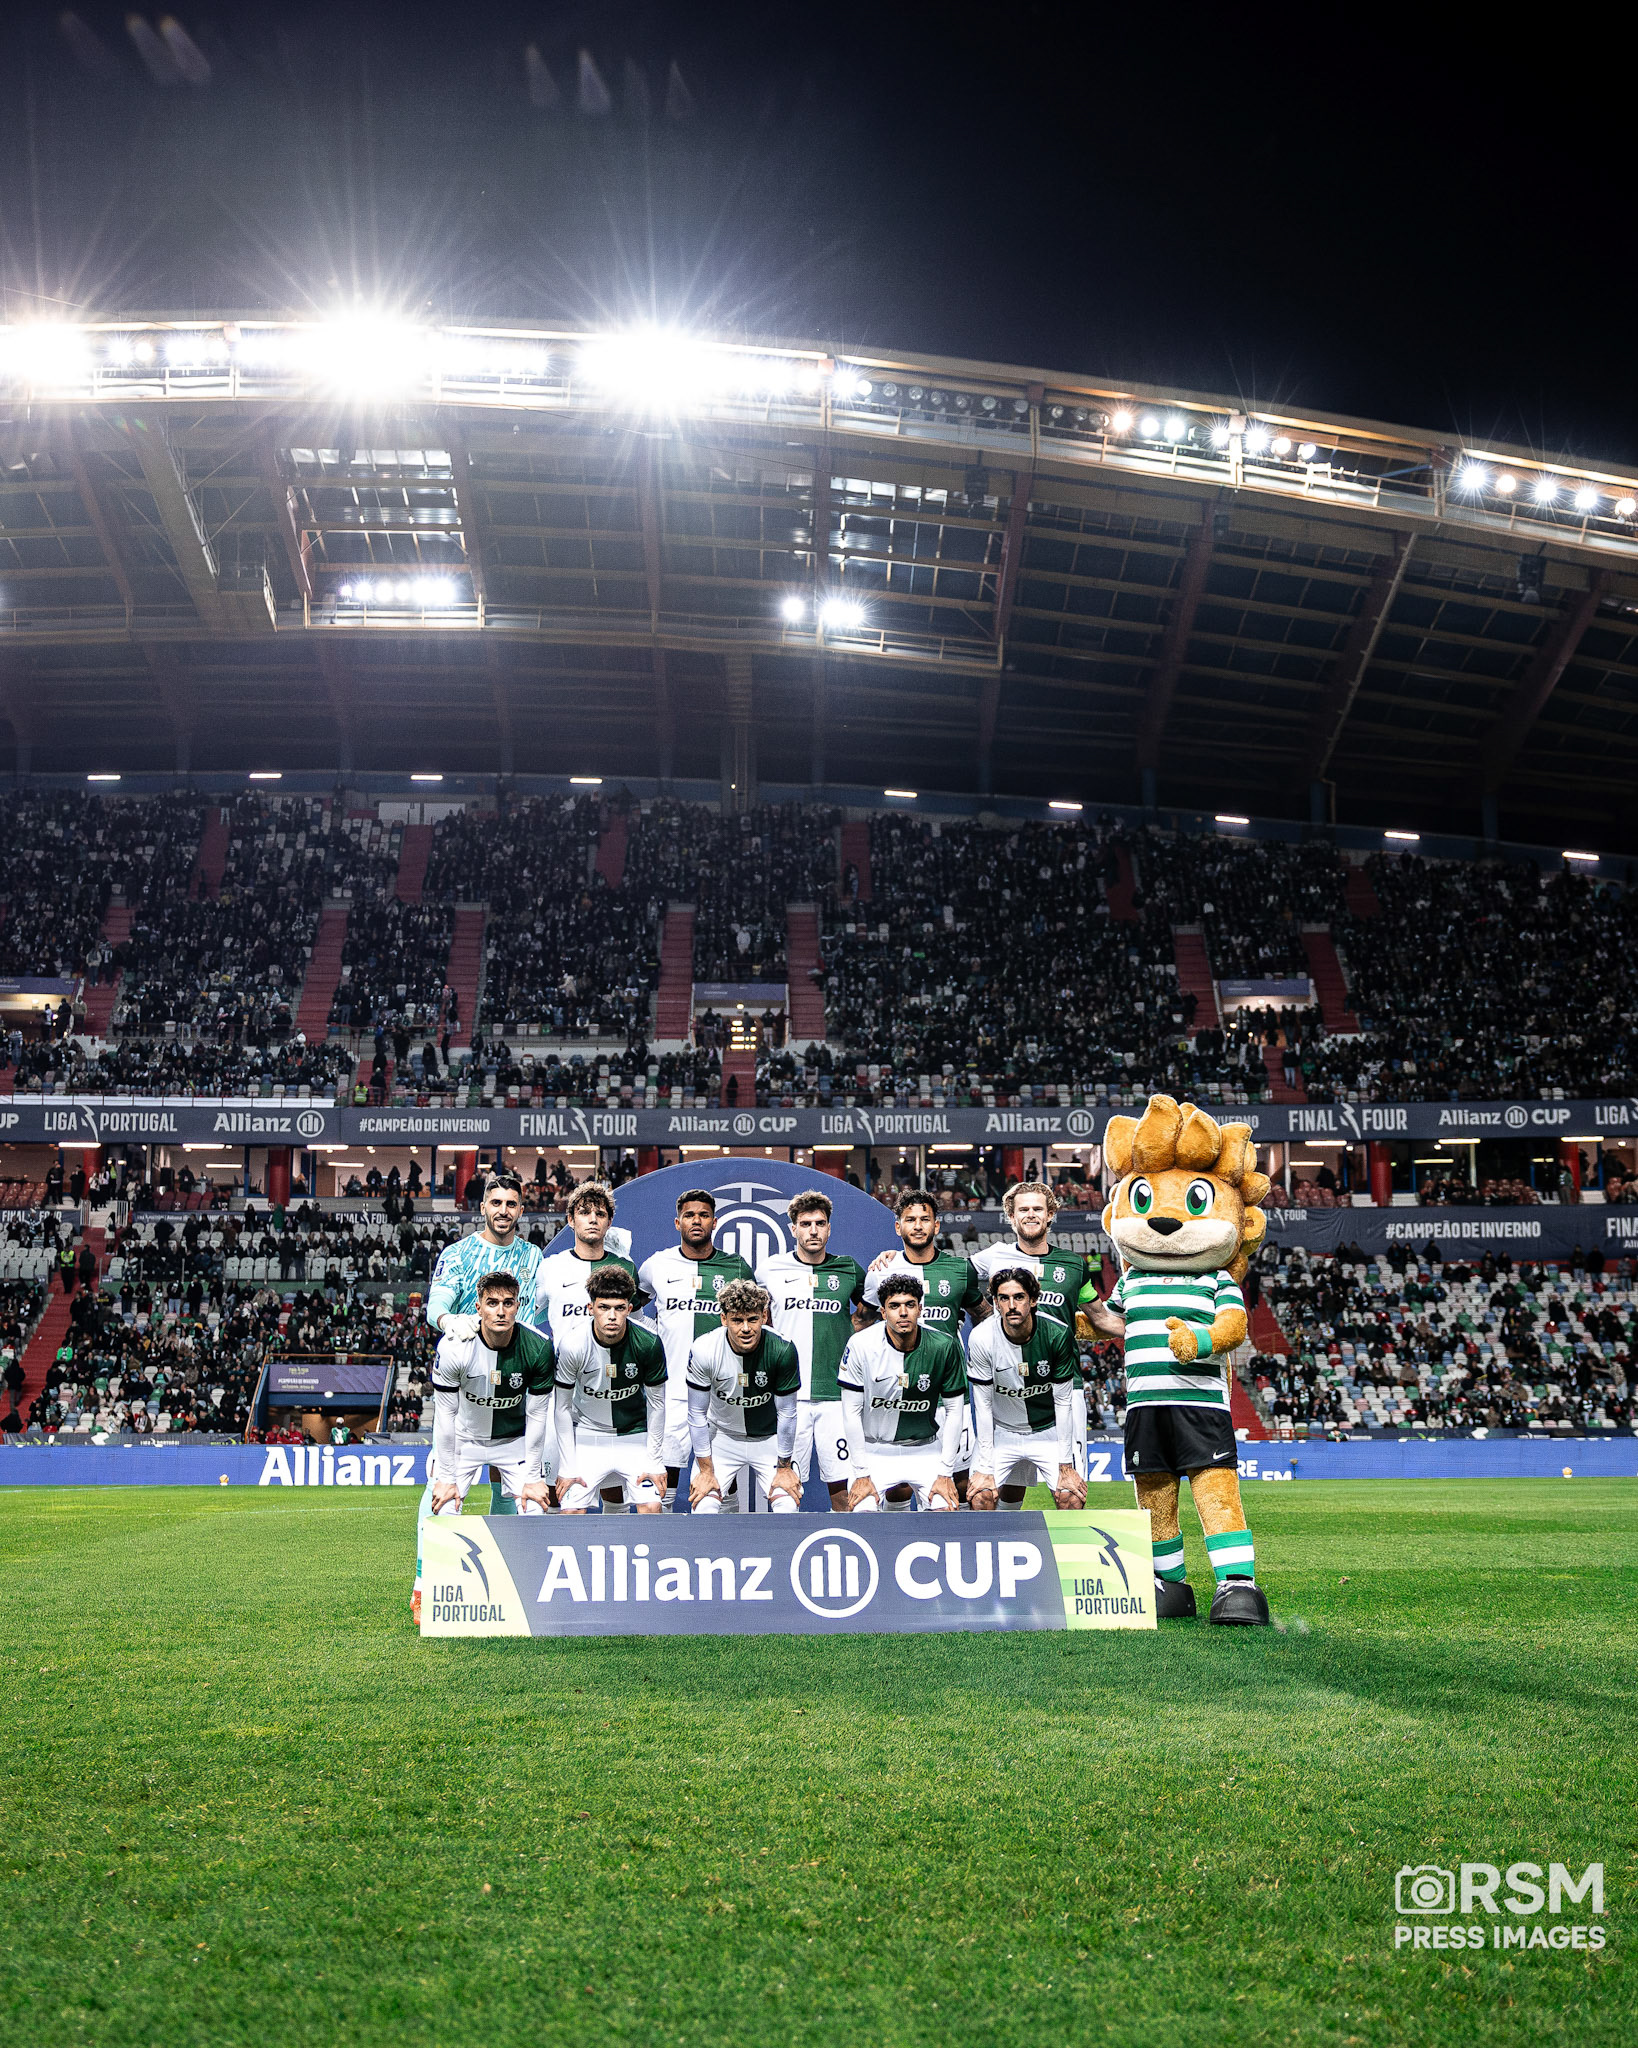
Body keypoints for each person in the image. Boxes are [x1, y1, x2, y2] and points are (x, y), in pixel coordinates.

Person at [413, 1169, 547, 1618]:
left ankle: (510, 1581)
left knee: (512, 1493)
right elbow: (436, 1307)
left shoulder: (534, 1257)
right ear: (483, 1207)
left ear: (521, 1211)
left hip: (516, 1380)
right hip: (469, 1377)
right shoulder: (459, 1253)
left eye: (512, 1204)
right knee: (442, 1491)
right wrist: (453, 1324)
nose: (504, 1211)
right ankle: (423, 1582)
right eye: (496, 1203)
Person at [860, 1187, 983, 1501]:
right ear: (898, 1226)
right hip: (897, 1395)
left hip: (949, 1395)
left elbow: (984, 1317)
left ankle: (957, 1547)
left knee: (957, 1483)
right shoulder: (882, 1272)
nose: (917, 1225)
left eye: (924, 1219)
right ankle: (895, 1548)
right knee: (898, 1487)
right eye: (909, 1219)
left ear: (936, 1225)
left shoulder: (960, 1270)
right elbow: (861, 1323)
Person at [636, 1188, 755, 1505]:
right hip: (672, 1392)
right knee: (665, 1485)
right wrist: (652, 1331)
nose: (696, 1221)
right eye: (689, 1215)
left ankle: (727, 1549)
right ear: (678, 1223)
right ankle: (662, 1549)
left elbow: (756, 1322)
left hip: (721, 1395)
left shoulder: (737, 1268)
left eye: (703, 1215)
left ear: (715, 1222)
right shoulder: (657, 1265)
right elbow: (631, 1307)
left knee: (719, 1484)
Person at [970, 1179, 1093, 1476]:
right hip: (1009, 1386)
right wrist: (984, 1312)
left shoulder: (1074, 1264)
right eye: (1022, 1209)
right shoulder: (995, 1255)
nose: (1030, 1214)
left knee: (1071, 1487)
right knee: (1010, 1486)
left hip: (1064, 1383)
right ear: (1011, 1217)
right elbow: (949, 1276)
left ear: (1050, 1213)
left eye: (1038, 1208)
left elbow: (1100, 1317)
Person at [755, 1188, 867, 1511]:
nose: (813, 1230)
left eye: (820, 1223)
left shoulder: (848, 1269)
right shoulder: (769, 1271)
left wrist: (850, 1332)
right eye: (805, 1224)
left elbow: (872, 1308)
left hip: (837, 1396)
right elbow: (758, 1319)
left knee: (845, 1493)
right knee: (786, 1490)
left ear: (830, 1228)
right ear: (793, 1229)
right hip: (789, 1398)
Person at [427, 1271, 556, 1524]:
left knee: (536, 1509)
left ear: (517, 1306)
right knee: (443, 1508)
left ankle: (522, 1563)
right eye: (492, 1303)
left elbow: (538, 1416)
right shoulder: (454, 1346)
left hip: (513, 1442)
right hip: (464, 1440)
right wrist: (446, 1478)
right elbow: (444, 1415)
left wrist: (532, 1477)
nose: (500, 1311)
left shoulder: (538, 1347)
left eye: (508, 1303)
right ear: (479, 1307)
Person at [835, 1271, 967, 1512]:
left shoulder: (944, 1346)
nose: (903, 1312)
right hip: (874, 1450)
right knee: (861, 1513)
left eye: (910, 1305)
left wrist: (946, 1472)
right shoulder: (860, 1344)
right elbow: (851, 1413)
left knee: (945, 1510)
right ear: (883, 1312)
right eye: (894, 1306)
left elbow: (955, 1412)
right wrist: (862, 1474)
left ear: (920, 1309)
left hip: (925, 1449)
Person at [966, 1269, 1086, 1511]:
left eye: (1019, 1297)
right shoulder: (981, 1338)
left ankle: (1066, 1549)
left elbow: (1063, 1402)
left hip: (1048, 1431)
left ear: (1033, 1300)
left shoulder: (1057, 1334)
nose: (1011, 1305)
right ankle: (994, 1547)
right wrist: (985, 1467)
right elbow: (984, 1406)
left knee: (1071, 1497)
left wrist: (1066, 1466)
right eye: (1003, 1298)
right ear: (996, 1303)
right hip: (1002, 1432)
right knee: (981, 1497)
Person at [552, 1268, 668, 1515]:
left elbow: (657, 1406)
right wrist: (568, 1465)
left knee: (652, 1507)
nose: (612, 1316)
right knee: (570, 1513)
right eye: (604, 1307)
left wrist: (655, 1460)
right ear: (590, 1308)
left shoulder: (648, 1343)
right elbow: (561, 1408)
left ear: (629, 1308)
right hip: (587, 1437)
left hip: (635, 1437)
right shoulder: (572, 1344)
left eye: (619, 1307)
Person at [686, 1279, 802, 1514]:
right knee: (703, 1506)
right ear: (724, 1319)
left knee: (787, 1505)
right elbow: (696, 1413)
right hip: (722, 1438)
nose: (746, 1329)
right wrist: (706, 1471)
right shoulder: (704, 1349)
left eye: (752, 1319)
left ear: (764, 1316)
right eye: (737, 1320)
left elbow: (787, 1413)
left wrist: (784, 1468)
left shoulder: (782, 1349)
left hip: (769, 1438)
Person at [529, 1180, 639, 1342]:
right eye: (584, 1212)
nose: (593, 1219)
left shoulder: (626, 1268)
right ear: (571, 1220)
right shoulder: (549, 1267)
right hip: (564, 1366)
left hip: (611, 1365)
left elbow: (637, 1324)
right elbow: (528, 1318)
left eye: (600, 1214)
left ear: (609, 1222)